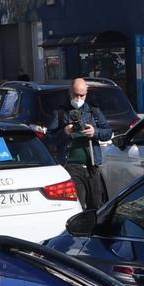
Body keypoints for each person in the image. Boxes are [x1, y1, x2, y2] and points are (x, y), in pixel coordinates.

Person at [46, 76, 111, 211]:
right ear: (70, 93)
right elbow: (49, 140)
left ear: (86, 94)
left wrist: (95, 132)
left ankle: (94, 231)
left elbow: (108, 132)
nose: (78, 99)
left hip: (92, 165)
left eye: (82, 95)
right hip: (71, 165)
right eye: (76, 95)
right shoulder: (60, 112)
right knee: (78, 205)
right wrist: (64, 132)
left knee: (96, 205)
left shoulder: (93, 111)